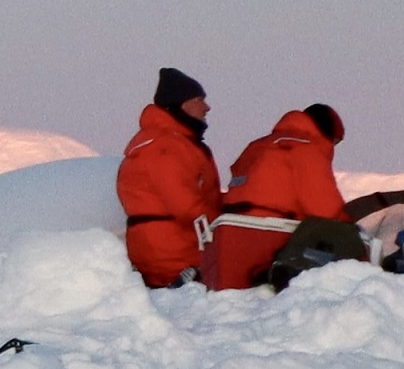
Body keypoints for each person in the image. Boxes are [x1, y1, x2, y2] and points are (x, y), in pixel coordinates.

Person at [204, 101, 354, 292]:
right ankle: (288, 268)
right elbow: (326, 208)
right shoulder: (307, 149)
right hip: (272, 233)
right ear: (326, 133)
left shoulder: (257, 146)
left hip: (231, 231)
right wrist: (351, 230)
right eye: (335, 142)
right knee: (343, 235)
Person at [117, 69, 219, 289]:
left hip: (152, 251)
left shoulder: (150, 142)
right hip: (176, 256)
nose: (207, 107)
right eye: (200, 100)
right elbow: (186, 206)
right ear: (183, 104)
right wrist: (224, 228)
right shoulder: (167, 147)